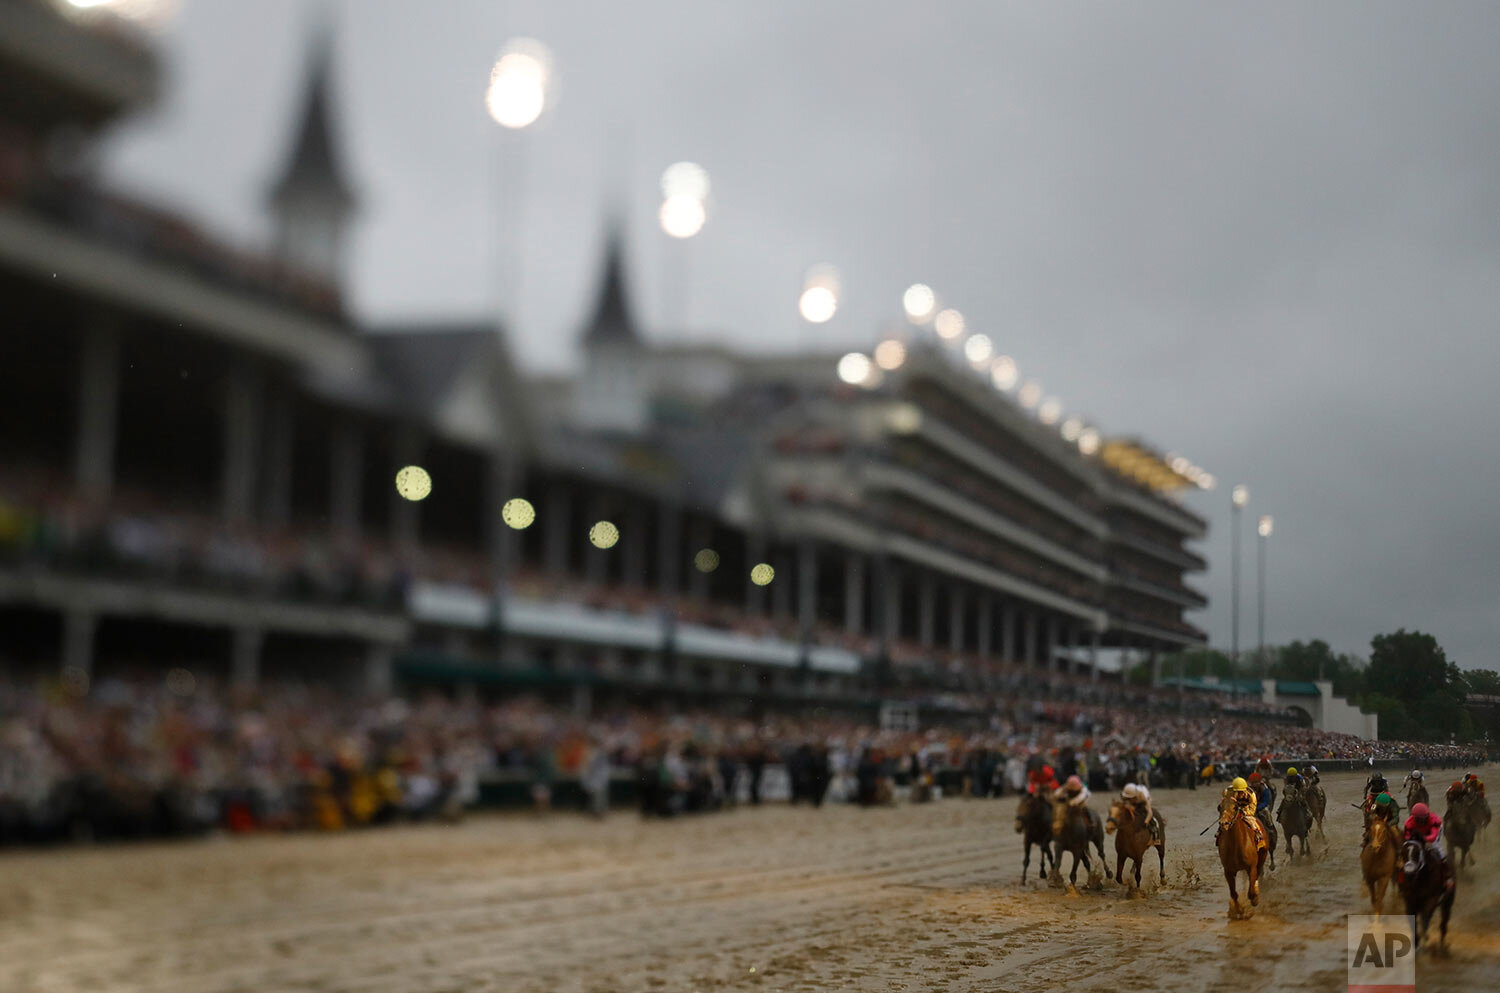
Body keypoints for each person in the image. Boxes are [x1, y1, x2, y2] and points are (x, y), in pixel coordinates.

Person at [1403, 802, 1453, 890]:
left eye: (1423, 819)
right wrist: (1413, 838)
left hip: (1432, 834)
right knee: (1407, 851)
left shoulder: (1434, 820)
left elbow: (1433, 836)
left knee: (1438, 850)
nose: (1421, 822)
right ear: (1414, 818)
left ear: (1427, 816)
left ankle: (1447, 876)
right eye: (1418, 820)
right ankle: (1402, 878)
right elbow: (1407, 837)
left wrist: (1423, 838)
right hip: (1419, 835)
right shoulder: (1408, 823)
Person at [1217, 776, 1266, 851]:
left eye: (1240, 791)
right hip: (1232, 810)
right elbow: (1225, 804)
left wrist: (1243, 812)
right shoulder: (1228, 792)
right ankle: (1219, 836)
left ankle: (1259, 838)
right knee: (1223, 821)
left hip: (1246, 812)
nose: (1238, 793)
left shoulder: (1251, 795)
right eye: (1236, 791)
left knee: (1253, 824)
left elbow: (1252, 809)